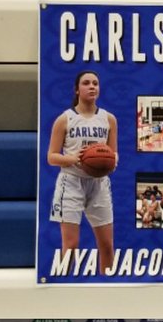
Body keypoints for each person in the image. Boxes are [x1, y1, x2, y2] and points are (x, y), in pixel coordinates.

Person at [47, 69, 117, 272]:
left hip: (99, 184)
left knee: (106, 246)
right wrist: (73, 158)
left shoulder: (109, 119)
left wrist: (111, 160)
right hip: (71, 182)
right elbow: (51, 157)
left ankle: (108, 291)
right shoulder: (65, 119)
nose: (92, 86)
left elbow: (114, 153)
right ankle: (64, 290)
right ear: (77, 90)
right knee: (71, 246)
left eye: (95, 83)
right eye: (86, 83)